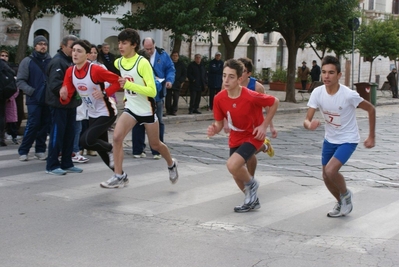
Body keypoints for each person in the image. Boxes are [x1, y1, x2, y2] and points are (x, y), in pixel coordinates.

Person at [99, 28, 178, 189]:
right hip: (131, 108)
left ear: (134, 45)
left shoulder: (142, 63)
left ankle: (171, 164)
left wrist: (128, 85)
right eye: (119, 43)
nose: (120, 46)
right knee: (116, 138)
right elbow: (117, 80)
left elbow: (152, 91)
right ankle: (119, 175)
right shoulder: (118, 62)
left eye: (124, 43)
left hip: (147, 110)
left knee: (155, 145)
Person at [303, 55, 375, 218]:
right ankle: (341, 201)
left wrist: (371, 136)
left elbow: (371, 109)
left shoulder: (348, 95)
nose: (326, 76)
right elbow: (307, 120)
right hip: (330, 139)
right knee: (326, 176)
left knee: (330, 170)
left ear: (339, 75)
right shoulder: (317, 92)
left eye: (331, 73)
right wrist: (310, 124)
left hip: (348, 139)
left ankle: (346, 194)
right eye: (324, 72)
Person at [207, 59, 279, 213]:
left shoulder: (251, 95)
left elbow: (275, 102)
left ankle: (252, 184)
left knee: (232, 164)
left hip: (253, 135)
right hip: (236, 136)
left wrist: (265, 125)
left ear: (240, 79)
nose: (226, 80)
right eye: (224, 76)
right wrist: (214, 129)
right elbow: (219, 123)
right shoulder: (219, 98)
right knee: (235, 172)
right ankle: (252, 200)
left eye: (231, 76)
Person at [60, 39, 121, 170]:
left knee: (86, 141)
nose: (75, 54)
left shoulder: (96, 70)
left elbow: (118, 81)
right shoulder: (70, 71)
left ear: (87, 55)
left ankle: (112, 149)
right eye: (74, 50)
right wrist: (64, 96)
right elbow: (68, 95)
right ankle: (119, 175)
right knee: (100, 148)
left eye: (79, 51)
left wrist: (105, 93)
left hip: (107, 112)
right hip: (92, 113)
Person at [131, 37, 175, 159]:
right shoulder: (138, 57)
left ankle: (157, 149)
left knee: (157, 121)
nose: (149, 51)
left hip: (157, 95)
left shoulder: (163, 55)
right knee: (138, 122)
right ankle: (138, 150)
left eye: (151, 48)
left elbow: (170, 69)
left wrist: (169, 80)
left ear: (155, 45)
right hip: (140, 96)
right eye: (147, 49)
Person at [45, 35, 83, 176]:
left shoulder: (71, 62)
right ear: (63, 46)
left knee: (69, 134)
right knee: (57, 134)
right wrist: (64, 91)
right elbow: (55, 84)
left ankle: (67, 162)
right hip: (59, 105)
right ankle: (52, 165)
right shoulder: (58, 62)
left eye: (76, 49)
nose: (74, 52)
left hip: (71, 104)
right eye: (71, 48)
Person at [16, 36, 52, 161]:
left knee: (44, 125)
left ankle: (40, 150)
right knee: (33, 124)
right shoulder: (27, 61)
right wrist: (31, 91)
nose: (43, 46)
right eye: (40, 44)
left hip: (47, 98)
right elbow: (20, 81)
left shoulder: (50, 60)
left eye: (45, 44)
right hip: (34, 99)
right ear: (35, 46)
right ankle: (24, 150)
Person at [237, 57, 276, 158]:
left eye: (244, 71)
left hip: (254, 125)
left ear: (249, 73)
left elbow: (268, 107)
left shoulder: (257, 87)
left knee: (246, 152)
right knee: (243, 153)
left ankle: (264, 146)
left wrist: (271, 126)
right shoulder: (231, 84)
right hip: (239, 124)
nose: (240, 73)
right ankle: (250, 174)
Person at [1, 50, 19, 145]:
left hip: (8, 99)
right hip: (3, 97)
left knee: (9, 119)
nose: (4, 57)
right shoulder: (6, 69)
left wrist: (10, 97)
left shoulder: (10, 69)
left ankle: (11, 135)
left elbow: (16, 86)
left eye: (6, 55)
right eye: (2, 55)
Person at [166, 51, 186, 116]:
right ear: (171, 56)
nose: (175, 57)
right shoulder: (168, 63)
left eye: (176, 56)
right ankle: (168, 110)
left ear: (178, 57)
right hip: (169, 82)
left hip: (177, 83)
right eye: (173, 55)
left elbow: (184, 74)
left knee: (176, 98)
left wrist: (180, 81)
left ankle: (174, 110)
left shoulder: (181, 64)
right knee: (168, 97)